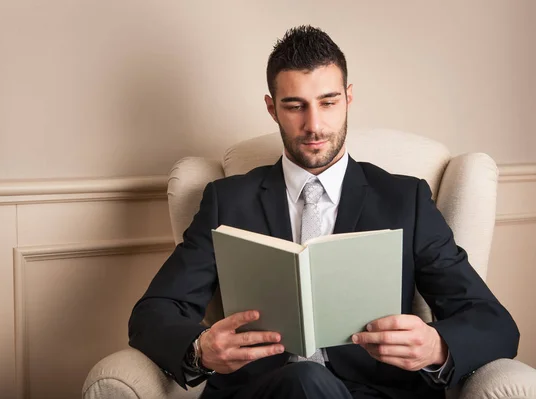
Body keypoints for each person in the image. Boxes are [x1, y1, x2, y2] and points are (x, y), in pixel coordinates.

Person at [128, 25, 519, 399]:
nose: (313, 125)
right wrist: (200, 349)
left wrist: (436, 346)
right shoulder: (227, 202)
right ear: (272, 108)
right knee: (303, 380)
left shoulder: (405, 199)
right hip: (263, 392)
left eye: (328, 103)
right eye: (295, 106)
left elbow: (494, 322)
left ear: (349, 98)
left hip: (375, 392)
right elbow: (152, 314)